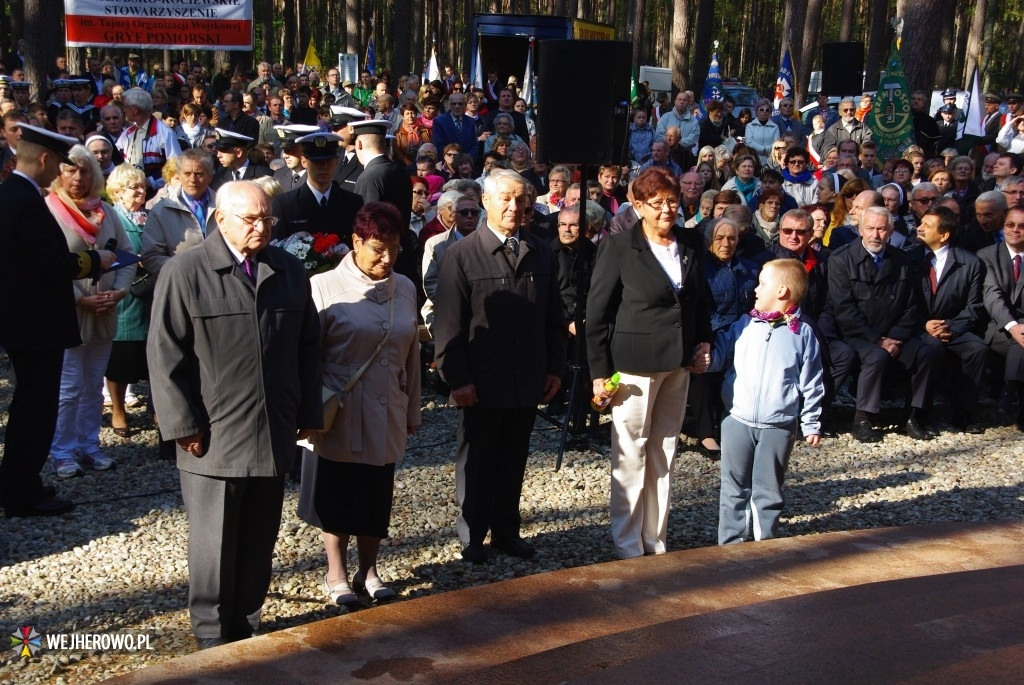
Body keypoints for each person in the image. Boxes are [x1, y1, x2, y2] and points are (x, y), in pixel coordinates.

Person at [147, 181, 321, 648]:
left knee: (259, 539)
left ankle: (246, 622)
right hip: (214, 435)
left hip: (273, 431)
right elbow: (165, 355)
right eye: (251, 219)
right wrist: (183, 427)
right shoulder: (185, 272)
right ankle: (211, 635)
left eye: (268, 218)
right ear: (220, 219)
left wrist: (307, 412)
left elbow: (308, 347)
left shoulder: (288, 269)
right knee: (214, 545)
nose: (262, 227)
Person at [433, 169, 566, 564]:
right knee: (476, 459)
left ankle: (506, 530)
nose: (514, 207)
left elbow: (553, 317)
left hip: (526, 377)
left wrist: (554, 367)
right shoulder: (460, 255)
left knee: (513, 458)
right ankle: (472, 534)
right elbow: (448, 325)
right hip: (481, 379)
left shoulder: (540, 250)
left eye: (521, 199)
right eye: (505, 199)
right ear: (486, 202)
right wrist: (457, 378)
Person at [297, 202, 421, 605]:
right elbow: (307, 357)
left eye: (394, 249)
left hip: (387, 409)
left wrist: (414, 407)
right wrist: (306, 413)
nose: (386, 258)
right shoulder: (322, 287)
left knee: (375, 495)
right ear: (356, 242)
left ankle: (369, 569)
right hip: (340, 410)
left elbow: (412, 355)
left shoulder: (404, 287)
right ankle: (336, 573)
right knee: (337, 495)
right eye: (377, 249)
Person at [587, 166, 713, 559]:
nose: (666, 211)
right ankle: (627, 545)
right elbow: (597, 313)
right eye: (656, 204)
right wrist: (598, 374)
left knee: (664, 452)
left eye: (672, 202)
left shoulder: (691, 244)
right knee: (631, 453)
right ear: (637, 205)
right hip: (633, 368)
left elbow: (700, 301)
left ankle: (654, 540)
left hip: (678, 366)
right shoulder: (619, 247)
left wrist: (704, 342)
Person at [0, 125, 116, 517]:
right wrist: (92, 261)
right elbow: (47, 263)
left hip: (25, 322)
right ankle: (21, 491)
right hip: (35, 324)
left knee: (31, 406)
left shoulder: (13, 195)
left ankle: (21, 482)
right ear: (46, 159)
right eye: (60, 164)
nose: (60, 174)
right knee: (35, 409)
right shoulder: (25, 200)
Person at [707, 258, 823, 544]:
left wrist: (811, 422)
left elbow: (812, 382)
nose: (755, 290)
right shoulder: (744, 324)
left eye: (762, 283)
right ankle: (730, 546)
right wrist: (703, 360)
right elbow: (721, 353)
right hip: (737, 418)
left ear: (782, 291)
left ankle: (764, 547)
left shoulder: (803, 335)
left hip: (779, 425)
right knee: (733, 487)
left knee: (768, 490)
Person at [45, 144, 136, 478]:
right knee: (68, 387)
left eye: (85, 170)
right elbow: (45, 267)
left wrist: (120, 291)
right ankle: (62, 451)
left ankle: (89, 445)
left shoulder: (107, 212)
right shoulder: (49, 212)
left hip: (104, 311)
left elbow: (127, 255)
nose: (78, 178)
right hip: (69, 313)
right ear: (58, 173)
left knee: (93, 383)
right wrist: (77, 298)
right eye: (70, 170)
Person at [828, 206, 941, 442]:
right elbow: (844, 309)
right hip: (856, 335)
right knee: (876, 356)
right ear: (860, 230)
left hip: (894, 334)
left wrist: (895, 338)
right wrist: (877, 340)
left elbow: (910, 306)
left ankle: (912, 416)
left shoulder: (901, 261)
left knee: (925, 353)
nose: (875, 235)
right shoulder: (841, 260)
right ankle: (862, 419)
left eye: (881, 229)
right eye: (870, 228)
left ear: (891, 231)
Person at [690, 218, 758, 460]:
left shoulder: (750, 269)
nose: (726, 243)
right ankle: (706, 433)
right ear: (709, 242)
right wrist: (719, 334)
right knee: (702, 365)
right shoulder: (700, 268)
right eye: (720, 238)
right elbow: (700, 307)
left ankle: (738, 428)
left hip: (745, 333)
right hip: (711, 332)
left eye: (731, 238)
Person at [915, 206, 988, 434]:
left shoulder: (970, 263)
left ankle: (964, 414)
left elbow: (974, 307)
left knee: (977, 349)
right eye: (921, 222)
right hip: (917, 327)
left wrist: (950, 327)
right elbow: (900, 302)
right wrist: (923, 324)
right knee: (931, 349)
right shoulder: (908, 258)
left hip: (953, 327)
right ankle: (920, 415)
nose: (919, 227)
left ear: (944, 235)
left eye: (927, 225)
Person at [105, 164, 152, 438]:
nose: (140, 191)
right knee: (121, 359)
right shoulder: (113, 219)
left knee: (152, 356)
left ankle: (158, 409)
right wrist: (139, 260)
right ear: (118, 192)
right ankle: (118, 409)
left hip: (150, 294)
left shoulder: (150, 216)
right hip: (125, 294)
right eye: (134, 187)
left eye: (143, 186)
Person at [272, 132, 363, 245]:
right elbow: (278, 249)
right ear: (304, 162)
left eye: (328, 161)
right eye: (317, 162)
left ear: (336, 162)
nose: (324, 167)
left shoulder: (353, 202)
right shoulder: (284, 204)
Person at [978, 206, 1024, 428]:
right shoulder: (987, 255)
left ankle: (1009, 389)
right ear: (1003, 227)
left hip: (1021, 330)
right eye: (1010, 224)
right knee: (1020, 339)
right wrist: (1013, 326)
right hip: (998, 326)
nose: (1015, 230)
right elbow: (992, 296)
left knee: (1021, 341)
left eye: (1022, 226)